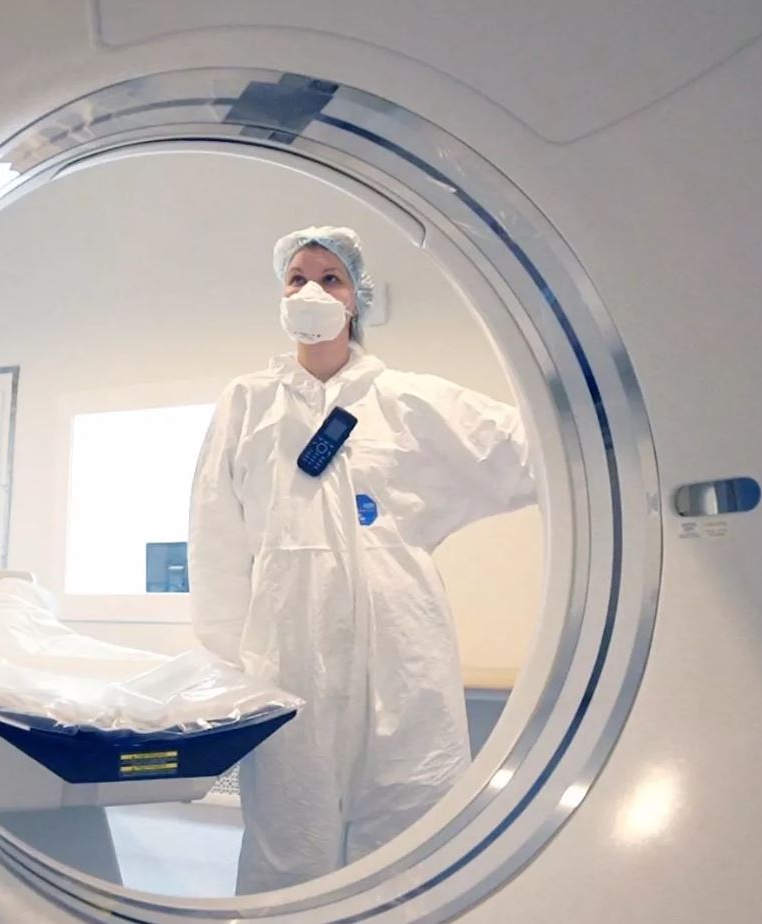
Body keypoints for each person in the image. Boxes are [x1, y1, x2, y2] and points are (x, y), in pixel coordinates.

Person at [188, 226, 537, 895]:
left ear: (357, 299)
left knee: (409, 818)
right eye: (296, 278)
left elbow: (528, 448)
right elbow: (215, 534)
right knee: (290, 833)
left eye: (330, 278)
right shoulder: (248, 401)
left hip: (399, 641)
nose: (311, 291)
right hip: (287, 648)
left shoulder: (408, 399)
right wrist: (231, 663)